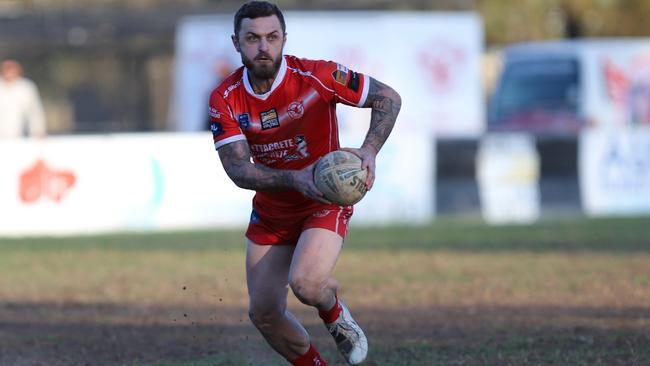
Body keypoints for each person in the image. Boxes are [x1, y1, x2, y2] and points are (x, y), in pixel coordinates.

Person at [209, 2, 401, 365]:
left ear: (284, 39)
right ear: (236, 43)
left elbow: (388, 99)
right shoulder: (226, 98)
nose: (263, 47)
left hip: (324, 200)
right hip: (272, 212)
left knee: (308, 284)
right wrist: (294, 179)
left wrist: (370, 150)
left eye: (271, 37)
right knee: (263, 313)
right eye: (252, 38)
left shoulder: (318, 76)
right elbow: (237, 169)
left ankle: (334, 313)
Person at [0, 59, 46, 138]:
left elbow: (34, 111)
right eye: (6, 69)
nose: (9, 73)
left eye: (11, 69)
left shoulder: (26, 87)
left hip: (20, 135)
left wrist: (38, 130)